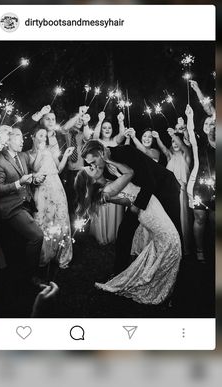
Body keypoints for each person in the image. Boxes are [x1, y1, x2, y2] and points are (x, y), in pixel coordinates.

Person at [75, 159, 181, 305]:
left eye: (91, 165)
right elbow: (128, 197)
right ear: (90, 181)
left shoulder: (108, 181)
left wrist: (117, 174)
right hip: (146, 210)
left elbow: (129, 183)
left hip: (150, 202)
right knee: (172, 240)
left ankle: (157, 281)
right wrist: (110, 161)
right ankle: (158, 286)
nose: (93, 166)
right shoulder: (105, 192)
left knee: (167, 242)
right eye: (91, 169)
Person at [81, 139, 181, 274]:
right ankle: (118, 272)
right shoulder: (104, 169)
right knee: (124, 231)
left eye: (93, 162)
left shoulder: (126, 152)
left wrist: (136, 206)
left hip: (165, 188)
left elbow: (149, 180)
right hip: (144, 196)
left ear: (100, 153)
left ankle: (178, 268)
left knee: (173, 230)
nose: (93, 166)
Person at [0, 127, 45, 283]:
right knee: (37, 236)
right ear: (7, 140)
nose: (22, 140)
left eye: (22, 137)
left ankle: (23, 270)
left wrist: (35, 179)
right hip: (12, 208)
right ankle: (33, 276)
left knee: (25, 241)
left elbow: (28, 176)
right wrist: (18, 183)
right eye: (17, 137)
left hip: (27, 204)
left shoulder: (22, 156)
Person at [27, 127, 74, 269]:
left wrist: (65, 155)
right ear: (32, 137)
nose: (43, 138)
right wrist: (40, 152)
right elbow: (34, 168)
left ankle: (62, 256)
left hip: (57, 187)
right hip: (42, 190)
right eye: (40, 135)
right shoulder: (28, 154)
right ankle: (44, 256)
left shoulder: (50, 149)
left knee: (61, 218)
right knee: (43, 220)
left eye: (45, 136)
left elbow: (59, 169)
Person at [152, 128, 192, 255]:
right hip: (169, 193)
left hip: (181, 193)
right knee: (171, 218)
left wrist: (173, 135)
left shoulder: (186, 155)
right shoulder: (170, 156)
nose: (174, 144)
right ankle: (172, 246)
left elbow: (183, 146)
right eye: (172, 142)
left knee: (183, 218)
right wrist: (158, 137)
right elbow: (163, 148)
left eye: (176, 141)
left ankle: (184, 246)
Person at [90, 111, 125, 244]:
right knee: (103, 205)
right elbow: (94, 136)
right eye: (104, 128)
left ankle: (114, 233)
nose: (107, 130)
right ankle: (102, 234)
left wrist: (121, 121)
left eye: (109, 128)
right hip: (101, 179)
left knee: (115, 205)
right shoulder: (98, 142)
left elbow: (122, 135)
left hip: (115, 178)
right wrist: (100, 121)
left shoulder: (115, 141)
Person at [186, 105, 215, 263]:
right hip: (198, 186)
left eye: (212, 123)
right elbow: (190, 132)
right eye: (206, 123)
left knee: (214, 219)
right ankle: (199, 250)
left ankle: (211, 247)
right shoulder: (198, 141)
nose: (208, 126)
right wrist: (190, 117)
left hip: (216, 186)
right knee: (200, 219)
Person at [62, 105, 92, 216]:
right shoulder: (66, 133)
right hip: (68, 173)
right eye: (77, 119)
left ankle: (80, 225)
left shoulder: (82, 134)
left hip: (81, 172)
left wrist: (85, 123)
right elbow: (65, 127)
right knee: (70, 200)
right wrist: (80, 113)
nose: (80, 120)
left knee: (81, 201)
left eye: (81, 119)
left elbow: (87, 137)